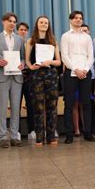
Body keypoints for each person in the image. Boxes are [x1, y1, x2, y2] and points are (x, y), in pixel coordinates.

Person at [0, 12, 25, 148]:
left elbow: (23, 57)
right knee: (2, 108)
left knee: (16, 108)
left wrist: (23, 64)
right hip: (2, 76)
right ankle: (3, 136)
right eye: (9, 21)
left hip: (16, 76)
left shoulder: (20, 39)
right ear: (3, 22)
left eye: (14, 21)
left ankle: (14, 136)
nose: (12, 24)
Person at [60, 11, 95, 144]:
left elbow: (90, 56)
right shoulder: (65, 36)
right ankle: (69, 134)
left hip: (85, 73)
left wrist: (85, 70)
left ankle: (87, 133)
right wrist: (76, 69)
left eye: (81, 18)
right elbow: (64, 56)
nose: (78, 20)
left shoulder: (87, 37)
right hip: (71, 72)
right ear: (70, 20)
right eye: (76, 18)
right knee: (69, 104)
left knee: (86, 103)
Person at [25, 16, 61, 146]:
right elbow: (27, 60)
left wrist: (49, 61)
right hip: (36, 75)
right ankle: (39, 137)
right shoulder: (30, 41)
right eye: (41, 22)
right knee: (38, 107)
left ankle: (51, 136)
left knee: (52, 106)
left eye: (46, 23)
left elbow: (58, 61)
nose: (44, 24)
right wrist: (30, 67)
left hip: (51, 75)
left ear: (48, 25)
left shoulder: (53, 41)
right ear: (37, 24)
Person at [17, 22, 35, 140]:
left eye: (25, 30)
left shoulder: (31, 43)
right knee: (16, 104)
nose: (23, 31)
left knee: (30, 104)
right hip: (16, 75)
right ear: (17, 31)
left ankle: (32, 130)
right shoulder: (13, 43)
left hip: (29, 76)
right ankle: (16, 131)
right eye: (21, 29)